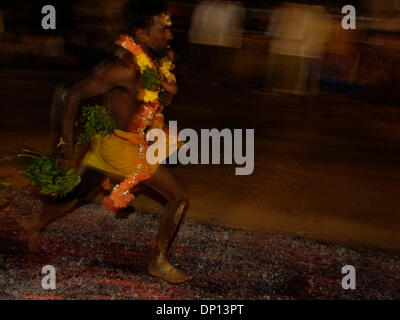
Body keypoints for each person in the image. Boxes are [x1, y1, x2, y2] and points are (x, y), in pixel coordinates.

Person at [21, 0, 192, 284]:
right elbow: (68, 93)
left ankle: (35, 223)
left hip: (112, 140)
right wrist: (64, 145)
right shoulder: (124, 67)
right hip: (122, 148)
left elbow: (152, 100)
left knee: (81, 193)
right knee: (179, 198)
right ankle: (159, 262)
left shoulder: (150, 62)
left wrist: (163, 99)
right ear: (141, 34)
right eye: (162, 30)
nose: (169, 35)